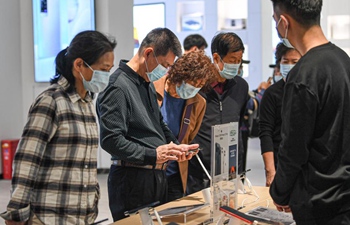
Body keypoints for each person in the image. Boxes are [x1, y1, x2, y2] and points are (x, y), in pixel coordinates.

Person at [0, 30, 117, 224]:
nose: (106, 76)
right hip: (49, 216)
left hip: (80, 217)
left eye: (109, 70)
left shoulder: (86, 103)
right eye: (103, 70)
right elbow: (27, 162)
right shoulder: (51, 101)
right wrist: (16, 214)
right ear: (79, 64)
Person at [96, 28, 199, 221]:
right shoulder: (117, 86)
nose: (166, 71)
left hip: (156, 179)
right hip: (132, 181)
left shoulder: (146, 84)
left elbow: (159, 123)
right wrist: (153, 154)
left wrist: (175, 146)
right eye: (165, 65)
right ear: (149, 53)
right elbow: (111, 140)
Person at [270, 1, 350, 224]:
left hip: (317, 203)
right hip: (343, 197)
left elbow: (293, 148)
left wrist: (279, 191)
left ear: (284, 23)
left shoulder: (303, 75)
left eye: (276, 22)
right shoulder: (343, 61)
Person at [187, 32, 250, 194]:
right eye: (231, 61)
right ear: (216, 58)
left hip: (232, 170)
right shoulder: (197, 87)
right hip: (199, 173)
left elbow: (239, 121)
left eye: (239, 61)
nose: (235, 65)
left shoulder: (241, 87)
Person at [153, 50, 218, 201]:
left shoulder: (198, 103)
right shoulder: (152, 88)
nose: (195, 88)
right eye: (193, 83)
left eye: (200, 85)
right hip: (150, 173)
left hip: (175, 174)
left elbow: (188, 137)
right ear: (180, 75)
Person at [259, 42, 301, 187]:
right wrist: (270, 170)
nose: (290, 65)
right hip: (280, 161)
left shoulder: (310, 90)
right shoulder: (272, 93)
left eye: (295, 62)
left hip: (307, 164)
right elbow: (266, 132)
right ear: (279, 63)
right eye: (285, 61)